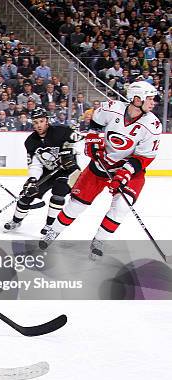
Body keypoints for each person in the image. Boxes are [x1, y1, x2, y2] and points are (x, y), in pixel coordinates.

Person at [40, 82, 162, 258]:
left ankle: (100, 239)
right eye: (149, 99)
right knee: (76, 204)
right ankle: (54, 231)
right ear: (136, 99)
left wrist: (124, 174)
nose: (153, 103)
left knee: (121, 206)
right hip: (101, 163)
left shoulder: (153, 125)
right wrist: (92, 139)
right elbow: (95, 123)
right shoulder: (112, 108)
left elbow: (144, 157)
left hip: (129, 169)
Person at [3, 108, 81, 234]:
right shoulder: (30, 141)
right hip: (48, 171)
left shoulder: (61, 131)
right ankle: (16, 221)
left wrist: (68, 151)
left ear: (47, 121)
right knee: (26, 193)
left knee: (58, 191)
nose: (38, 125)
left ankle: (50, 226)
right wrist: (32, 179)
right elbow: (35, 163)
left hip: (68, 170)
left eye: (41, 121)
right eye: (35, 122)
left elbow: (78, 138)